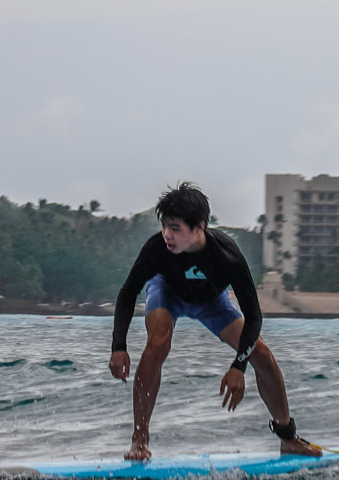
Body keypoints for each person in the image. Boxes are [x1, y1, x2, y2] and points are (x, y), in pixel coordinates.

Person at [110, 182, 321, 461]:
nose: (166, 235)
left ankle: (288, 437)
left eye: (175, 228)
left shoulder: (226, 255)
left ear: (199, 226)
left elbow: (254, 315)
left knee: (261, 353)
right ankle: (139, 440)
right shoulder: (156, 249)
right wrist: (119, 346)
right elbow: (128, 292)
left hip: (212, 302)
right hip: (167, 293)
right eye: (164, 226)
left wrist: (238, 366)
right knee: (159, 341)